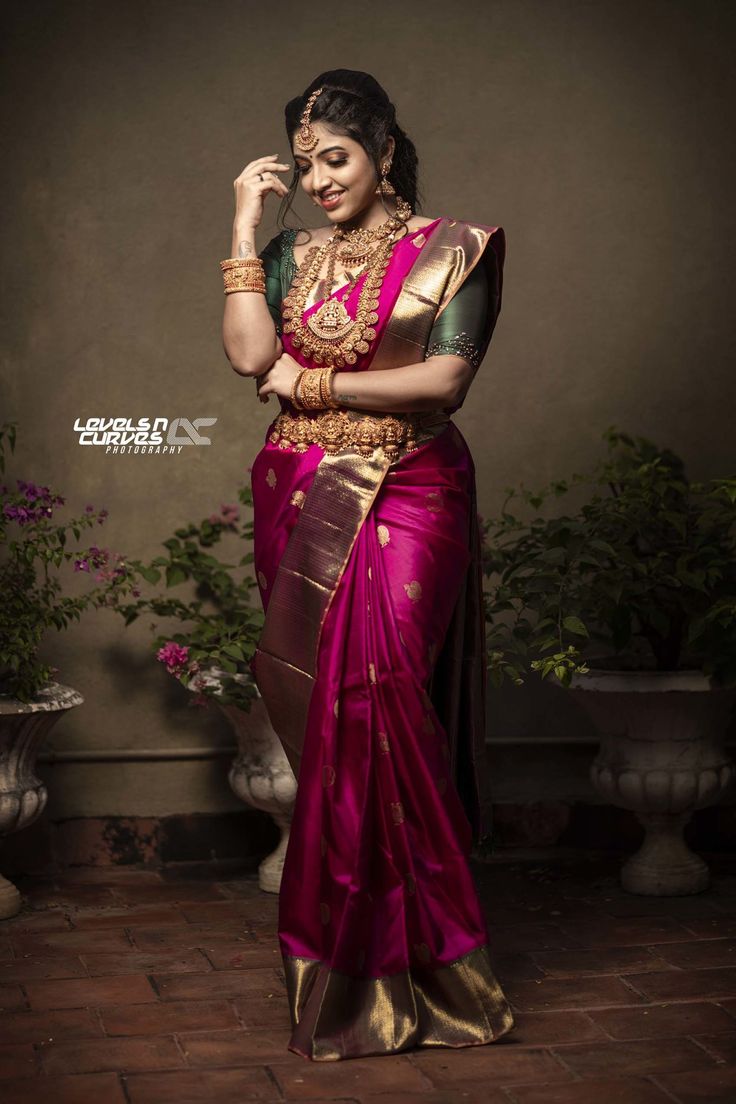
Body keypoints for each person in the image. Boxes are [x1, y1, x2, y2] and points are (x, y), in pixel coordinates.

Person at [221, 69, 515, 1062]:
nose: (318, 180)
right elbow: (245, 357)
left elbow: (446, 377)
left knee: (385, 690)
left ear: (384, 151)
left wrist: (320, 380)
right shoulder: (287, 252)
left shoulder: (453, 250)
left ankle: (432, 959)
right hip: (303, 491)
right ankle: (350, 962)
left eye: (335, 158)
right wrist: (241, 220)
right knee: (339, 714)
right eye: (302, 167)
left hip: (413, 487)